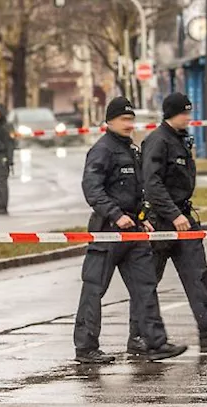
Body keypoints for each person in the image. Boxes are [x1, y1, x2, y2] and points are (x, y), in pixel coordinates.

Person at [73, 96, 187, 365]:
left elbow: (136, 190)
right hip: (108, 233)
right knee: (94, 289)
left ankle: (154, 343)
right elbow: (92, 189)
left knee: (146, 287)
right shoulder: (102, 150)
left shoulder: (130, 150)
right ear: (109, 121)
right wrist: (116, 215)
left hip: (133, 233)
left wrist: (140, 216)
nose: (129, 124)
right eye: (124, 119)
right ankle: (86, 348)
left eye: (131, 119)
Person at [127, 92, 207, 355]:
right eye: (184, 113)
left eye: (190, 112)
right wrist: (173, 214)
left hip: (182, 218)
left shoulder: (179, 139)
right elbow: (152, 184)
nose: (188, 118)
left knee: (198, 274)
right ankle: (137, 337)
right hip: (162, 222)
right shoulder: (158, 141)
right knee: (148, 282)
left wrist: (182, 215)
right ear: (171, 114)